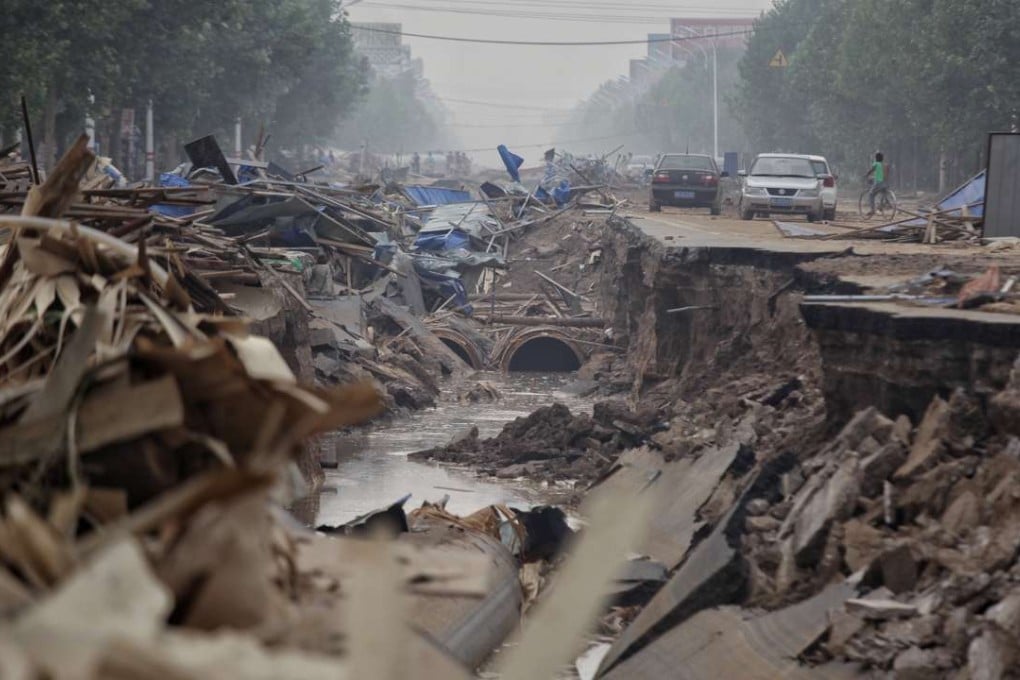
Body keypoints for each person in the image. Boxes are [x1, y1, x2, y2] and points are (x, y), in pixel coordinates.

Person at [865, 151, 889, 216]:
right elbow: (885, 175)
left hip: (878, 183)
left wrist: (867, 174)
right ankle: (882, 204)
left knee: (871, 195)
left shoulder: (876, 164)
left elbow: (871, 170)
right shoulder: (885, 165)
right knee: (883, 193)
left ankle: (872, 210)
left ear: (876, 158)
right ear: (882, 158)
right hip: (885, 183)